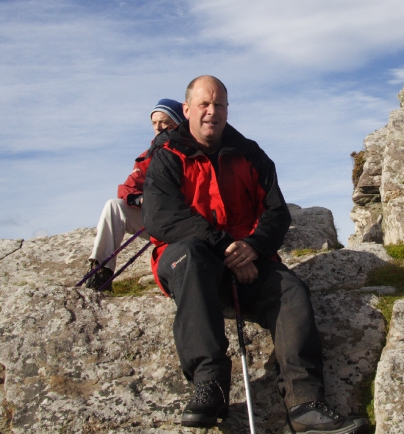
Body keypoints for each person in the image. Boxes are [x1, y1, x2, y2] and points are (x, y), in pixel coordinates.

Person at [141, 75, 369, 433]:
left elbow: (276, 213)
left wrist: (253, 247)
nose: (212, 111)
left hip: (247, 259)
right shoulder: (167, 156)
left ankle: (306, 405)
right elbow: (162, 217)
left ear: (227, 109)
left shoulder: (250, 154)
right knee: (191, 256)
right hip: (191, 261)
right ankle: (210, 385)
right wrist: (225, 247)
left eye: (219, 104)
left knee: (289, 290)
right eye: (204, 104)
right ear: (186, 109)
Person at [84, 99, 185, 291]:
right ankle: (101, 273)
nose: (158, 127)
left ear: (178, 123)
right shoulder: (149, 156)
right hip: (157, 219)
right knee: (114, 206)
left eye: (164, 122)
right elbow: (127, 187)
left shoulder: (192, 152)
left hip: (186, 222)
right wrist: (140, 199)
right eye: (154, 123)